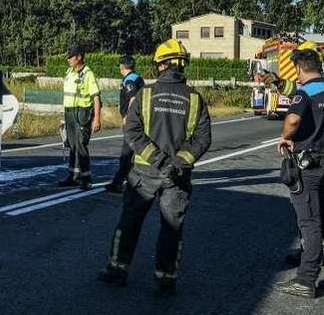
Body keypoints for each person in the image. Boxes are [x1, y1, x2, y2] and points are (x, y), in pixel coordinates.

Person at [98, 38, 211, 297]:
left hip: (144, 173)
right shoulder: (195, 99)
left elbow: (132, 132)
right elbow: (202, 140)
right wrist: (177, 162)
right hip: (178, 175)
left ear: (160, 65)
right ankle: (166, 279)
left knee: (129, 221)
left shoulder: (144, 95)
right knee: (172, 227)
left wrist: (158, 160)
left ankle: (117, 270)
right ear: (182, 66)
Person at [273, 48, 324, 298]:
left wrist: (286, 137)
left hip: (309, 166)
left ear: (300, 68)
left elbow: (292, 121)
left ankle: (306, 279)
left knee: (309, 222)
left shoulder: (304, 93)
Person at [58, 45, 102, 190]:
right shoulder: (69, 72)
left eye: (71, 56)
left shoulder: (88, 74)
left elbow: (96, 97)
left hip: (82, 113)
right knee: (71, 145)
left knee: (81, 146)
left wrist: (97, 119)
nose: (68, 59)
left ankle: (86, 179)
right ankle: (72, 176)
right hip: (69, 112)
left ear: (79, 57)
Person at [105, 55, 145, 194]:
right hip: (140, 120)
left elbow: (133, 98)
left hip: (133, 122)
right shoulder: (137, 77)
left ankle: (118, 184)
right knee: (132, 153)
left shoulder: (129, 80)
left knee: (126, 154)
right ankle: (126, 182)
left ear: (122, 66)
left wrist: (128, 116)